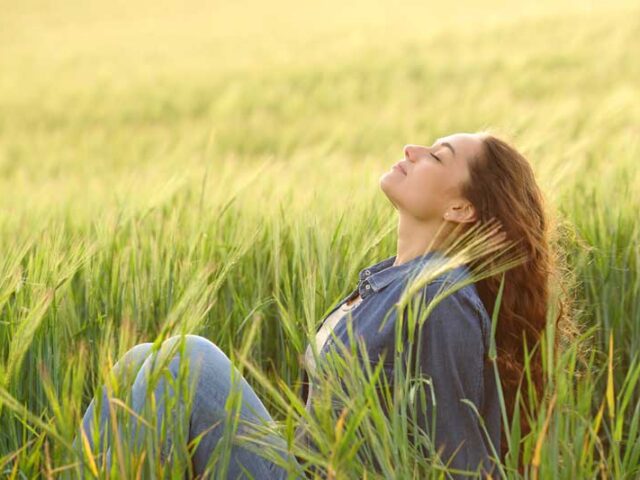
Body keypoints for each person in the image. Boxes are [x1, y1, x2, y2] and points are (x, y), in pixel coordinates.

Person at [72, 131, 567, 478]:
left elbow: (454, 454)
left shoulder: (439, 298)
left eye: (436, 157)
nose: (411, 150)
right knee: (143, 362)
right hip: (300, 463)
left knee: (188, 359)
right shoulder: (388, 281)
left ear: (461, 207)